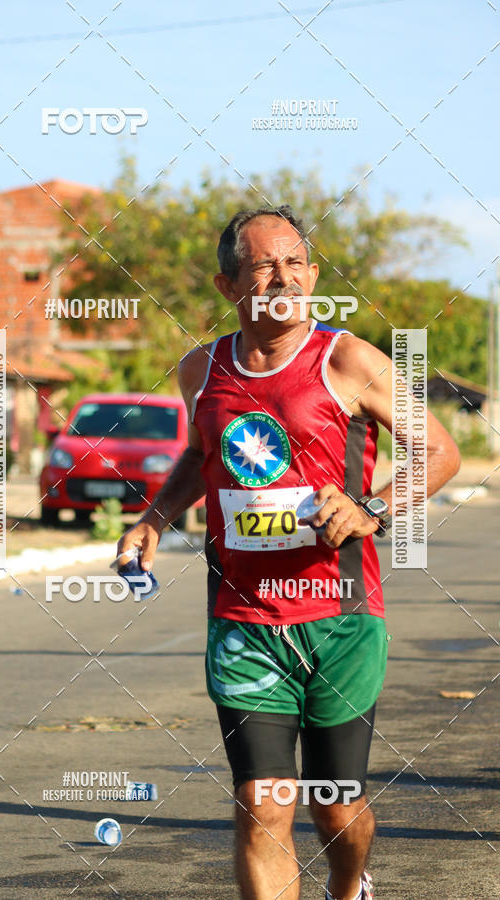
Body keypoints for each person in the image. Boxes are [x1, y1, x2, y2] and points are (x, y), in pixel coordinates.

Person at [117, 205, 460, 899]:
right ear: (228, 286)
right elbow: (199, 453)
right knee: (264, 804)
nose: (286, 276)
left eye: (297, 262)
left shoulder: (347, 359)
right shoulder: (200, 368)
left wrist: (371, 508)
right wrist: (154, 516)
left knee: (334, 804)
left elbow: (439, 452)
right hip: (243, 625)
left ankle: (351, 881)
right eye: (265, 265)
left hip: (342, 619)